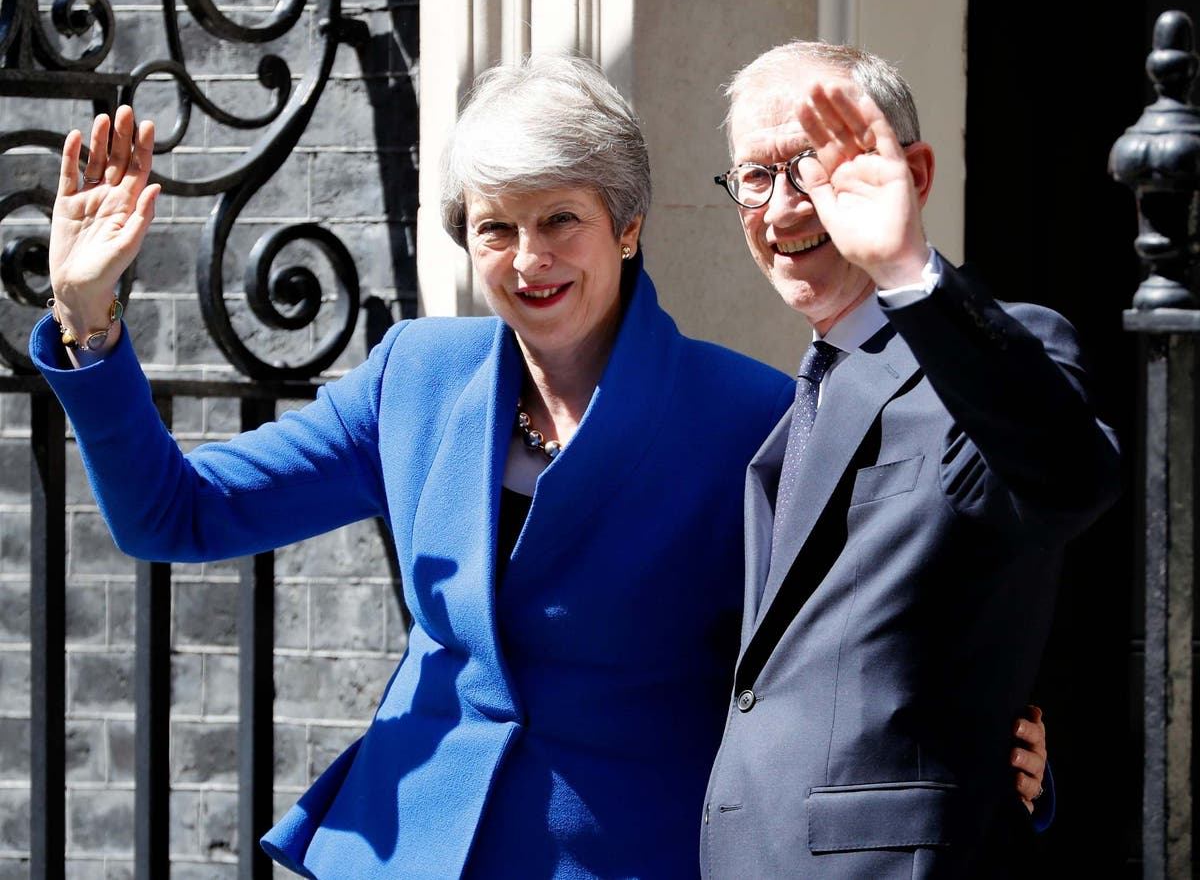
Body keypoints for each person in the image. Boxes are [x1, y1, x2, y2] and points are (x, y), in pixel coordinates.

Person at [34, 54, 1046, 878]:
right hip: (402, 851)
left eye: (559, 218)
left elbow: (864, 648)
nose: (529, 259)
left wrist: (1012, 752)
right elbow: (177, 516)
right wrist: (89, 317)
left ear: (627, 224)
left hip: (626, 856)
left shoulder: (748, 415)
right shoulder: (414, 379)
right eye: (496, 228)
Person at [700, 41, 1120, 877]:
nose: (783, 208)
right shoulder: (786, 421)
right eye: (755, 175)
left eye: (814, 165)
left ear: (913, 175)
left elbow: (1069, 481)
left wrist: (903, 267)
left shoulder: (1001, 353)